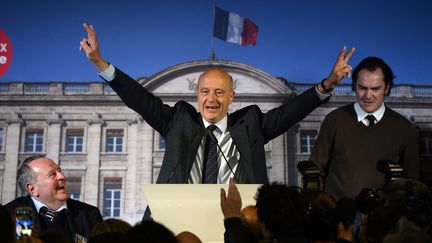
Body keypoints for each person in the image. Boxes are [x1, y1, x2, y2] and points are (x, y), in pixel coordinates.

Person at [80, 22, 355, 184]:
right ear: (197, 95)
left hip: (236, 219)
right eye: (205, 92)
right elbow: (138, 98)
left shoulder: (252, 125)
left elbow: (291, 111)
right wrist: (99, 62)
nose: (211, 99)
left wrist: (328, 83)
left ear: (232, 96)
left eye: (219, 93)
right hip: (181, 217)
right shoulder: (177, 120)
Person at [309, 56, 420, 200]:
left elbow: (412, 180)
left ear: (386, 88)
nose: (368, 96)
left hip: (384, 219)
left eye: (375, 89)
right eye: (362, 88)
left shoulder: (404, 128)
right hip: (339, 218)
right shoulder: (334, 120)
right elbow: (315, 170)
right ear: (354, 87)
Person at [5, 155, 103, 243]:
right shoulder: (10, 214)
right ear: (33, 188)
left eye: (59, 171)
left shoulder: (89, 214)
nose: (62, 176)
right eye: (52, 174)